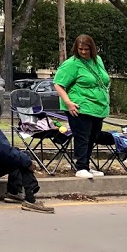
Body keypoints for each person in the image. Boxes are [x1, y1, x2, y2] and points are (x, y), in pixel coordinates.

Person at [53, 34, 111, 179]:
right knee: (82, 136)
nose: (83, 52)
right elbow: (58, 84)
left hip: (97, 108)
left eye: (86, 49)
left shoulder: (97, 60)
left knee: (93, 136)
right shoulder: (72, 63)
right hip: (79, 107)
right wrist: (68, 102)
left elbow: (103, 80)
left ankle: (86, 165)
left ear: (92, 49)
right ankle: (81, 167)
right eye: (80, 49)